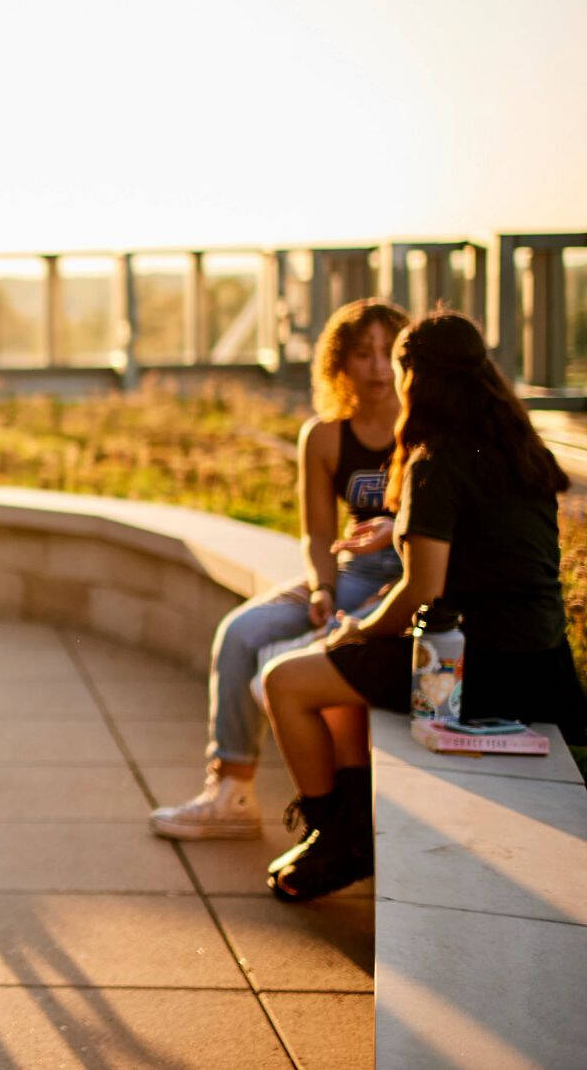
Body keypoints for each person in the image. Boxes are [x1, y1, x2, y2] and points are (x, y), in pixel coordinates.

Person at [260, 310, 587, 901]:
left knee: (287, 681)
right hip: (542, 667)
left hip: (469, 668)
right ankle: (352, 833)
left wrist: (354, 629)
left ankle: (335, 835)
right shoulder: (523, 449)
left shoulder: (437, 460)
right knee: (341, 689)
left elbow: (423, 592)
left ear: (415, 379)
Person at [148, 299, 410, 840]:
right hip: (350, 570)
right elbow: (318, 534)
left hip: (405, 575)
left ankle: (340, 823)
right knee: (241, 633)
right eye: (364, 355)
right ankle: (231, 792)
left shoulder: (424, 428)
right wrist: (322, 588)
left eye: (389, 353)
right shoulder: (325, 436)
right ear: (341, 364)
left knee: (298, 661)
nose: (380, 368)